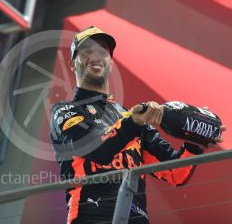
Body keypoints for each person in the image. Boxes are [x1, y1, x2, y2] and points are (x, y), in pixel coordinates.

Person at [49, 26, 226, 224]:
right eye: (87, 51)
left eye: (103, 51)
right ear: (73, 64)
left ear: (110, 63)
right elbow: (95, 151)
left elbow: (176, 173)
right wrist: (133, 122)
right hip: (90, 218)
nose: (96, 56)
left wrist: (195, 142)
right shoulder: (64, 111)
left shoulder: (130, 117)